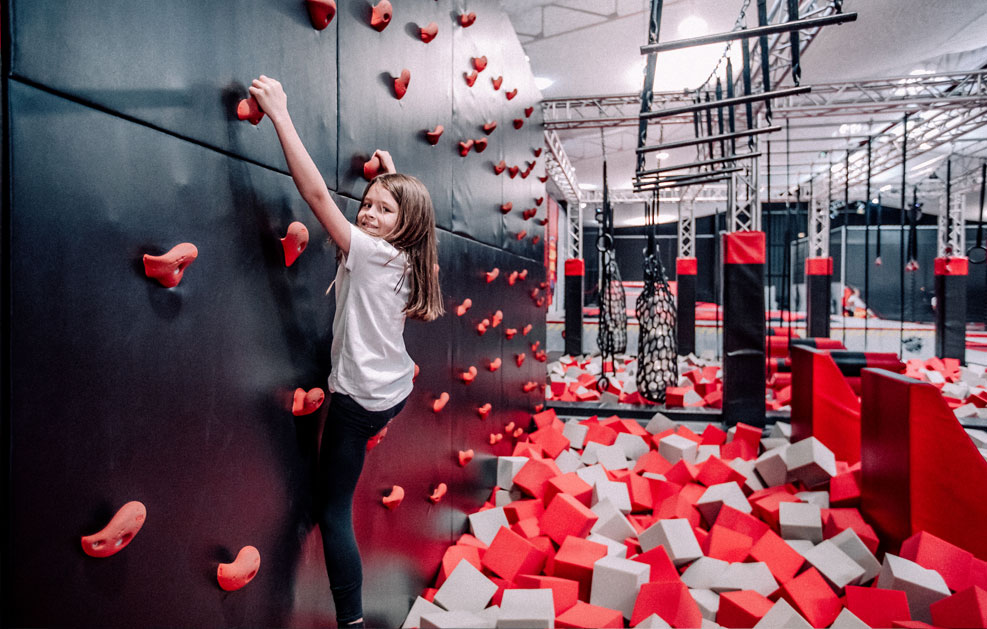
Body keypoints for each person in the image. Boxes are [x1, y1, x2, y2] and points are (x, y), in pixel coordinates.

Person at [248, 75, 444, 628]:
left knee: (331, 510)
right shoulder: (408, 255)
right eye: (368, 204)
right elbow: (403, 211)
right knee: (351, 450)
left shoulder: (375, 255)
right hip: (392, 390)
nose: (366, 214)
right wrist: (389, 174)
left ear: (402, 226)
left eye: (382, 209)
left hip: (358, 402)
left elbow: (314, 196)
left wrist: (281, 115)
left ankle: (351, 622)